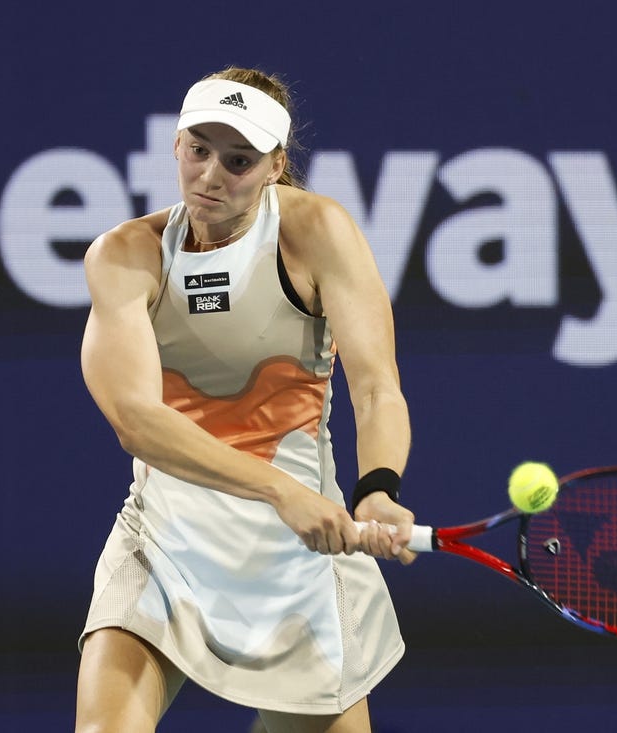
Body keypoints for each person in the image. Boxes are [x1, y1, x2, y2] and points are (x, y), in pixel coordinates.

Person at [75, 66, 416, 733]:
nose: (211, 175)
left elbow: (377, 388)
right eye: (198, 150)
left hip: (299, 565)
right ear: (176, 144)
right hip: (164, 542)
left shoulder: (316, 231)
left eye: (238, 160)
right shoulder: (126, 257)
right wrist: (279, 490)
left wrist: (377, 488)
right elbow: (138, 420)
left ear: (275, 165)